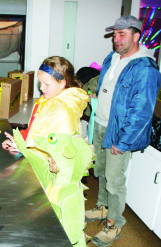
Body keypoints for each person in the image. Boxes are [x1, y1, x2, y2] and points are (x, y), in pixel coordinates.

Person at [85, 15, 161, 247]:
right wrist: (99, 95)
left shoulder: (145, 68)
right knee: (100, 171)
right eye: (114, 34)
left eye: (122, 34)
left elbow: (141, 111)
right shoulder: (113, 56)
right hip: (100, 122)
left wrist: (124, 141)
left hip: (118, 131)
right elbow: (108, 86)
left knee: (115, 181)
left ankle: (114, 223)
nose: (116, 39)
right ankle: (102, 207)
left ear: (136, 36)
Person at [3, 56, 91, 246]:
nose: (41, 88)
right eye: (40, 83)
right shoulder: (50, 100)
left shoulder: (63, 111)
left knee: (55, 224)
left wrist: (25, 148)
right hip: (40, 165)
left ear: (62, 83)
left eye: (46, 84)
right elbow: (38, 130)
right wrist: (21, 143)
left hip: (52, 178)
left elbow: (57, 155)